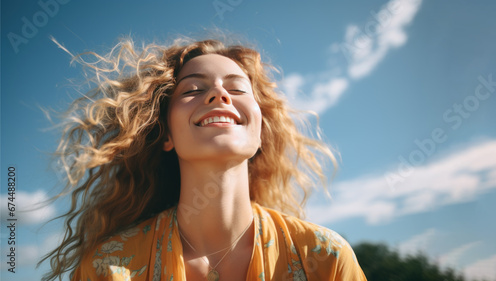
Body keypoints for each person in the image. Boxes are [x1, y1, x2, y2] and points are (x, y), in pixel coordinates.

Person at [40, 36, 367, 281]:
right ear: (165, 134)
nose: (219, 94)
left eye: (237, 89)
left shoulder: (325, 259)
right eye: (193, 89)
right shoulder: (108, 267)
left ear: (260, 131)